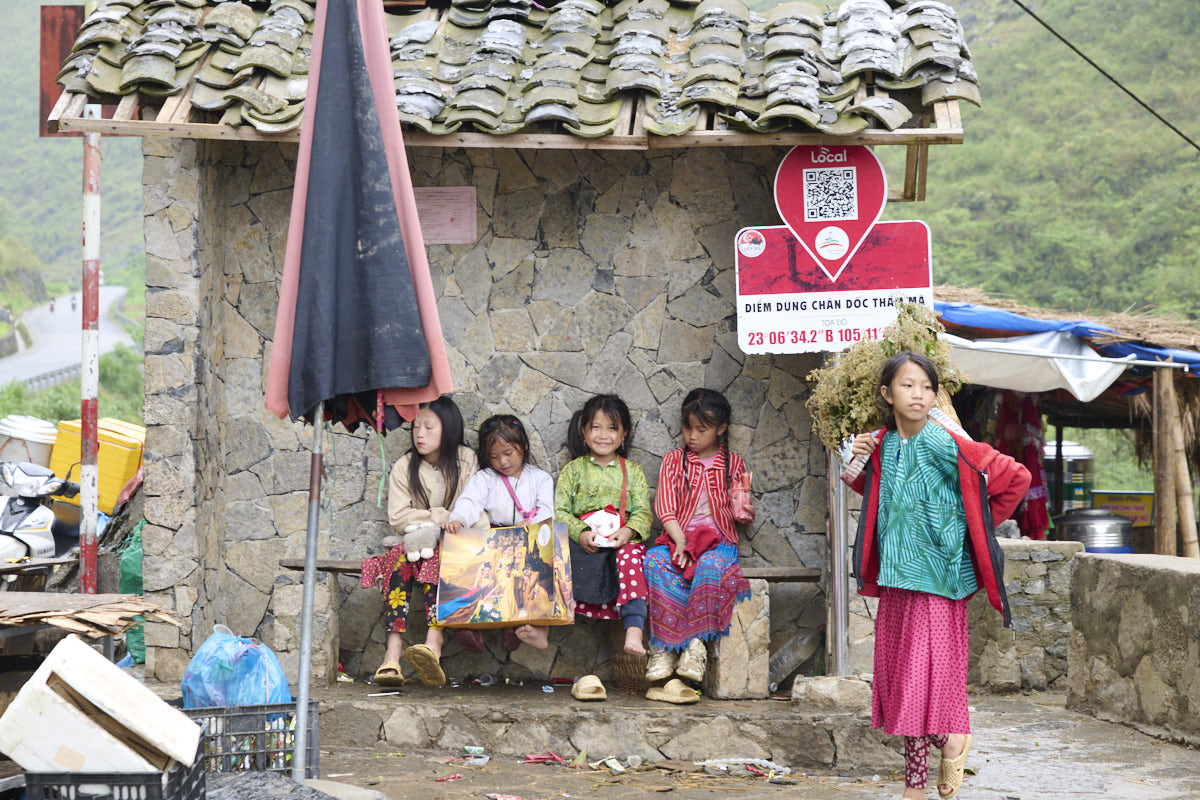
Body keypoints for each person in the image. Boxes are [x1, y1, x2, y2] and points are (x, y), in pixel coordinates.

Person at [846, 352, 1030, 800]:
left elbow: (1016, 478)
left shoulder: (949, 443)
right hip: (896, 579)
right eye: (908, 385)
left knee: (924, 682)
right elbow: (868, 489)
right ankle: (923, 775)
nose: (919, 395)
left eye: (927, 387)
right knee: (902, 684)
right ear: (887, 394)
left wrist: (974, 530)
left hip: (940, 580)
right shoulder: (883, 444)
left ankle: (943, 747)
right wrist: (857, 453)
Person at [359, 397, 478, 688]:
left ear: (448, 428)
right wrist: (439, 516)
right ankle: (393, 652)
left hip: (453, 543)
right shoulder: (405, 466)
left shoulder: (466, 460)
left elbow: (469, 507)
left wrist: (435, 521)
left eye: (429, 427)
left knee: (437, 557)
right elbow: (398, 518)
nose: (419, 434)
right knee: (397, 557)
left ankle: (434, 642)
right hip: (412, 543)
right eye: (415, 427)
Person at [643, 389, 752, 702]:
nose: (692, 436)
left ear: (721, 429)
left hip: (718, 544)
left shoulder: (733, 463)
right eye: (687, 427)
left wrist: (743, 505)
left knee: (710, 567)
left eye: (701, 429)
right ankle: (664, 647)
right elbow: (665, 508)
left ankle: (695, 646)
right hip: (678, 539)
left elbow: (742, 517)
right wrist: (679, 539)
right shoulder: (674, 461)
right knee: (654, 560)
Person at [555, 394, 653, 700]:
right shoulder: (573, 471)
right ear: (584, 431)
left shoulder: (631, 472)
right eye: (595, 427)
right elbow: (560, 511)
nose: (603, 435)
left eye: (612, 428)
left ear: (624, 434)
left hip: (619, 544)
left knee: (633, 555)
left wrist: (628, 531)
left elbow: (643, 512)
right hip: (584, 544)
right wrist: (581, 533)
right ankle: (540, 626)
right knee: (553, 558)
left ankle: (634, 628)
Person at [446, 414, 554, 650]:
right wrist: (459, 519)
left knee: (527, 581)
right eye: (494, 457)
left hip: (529, 539)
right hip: (495, 539)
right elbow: (470, 502)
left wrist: (533, 526)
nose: (503, 462)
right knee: (484, 579)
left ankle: (518, 627)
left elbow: (547, 511)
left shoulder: (541, 479)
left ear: (524, 446)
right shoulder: (484, 478)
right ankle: (471, 627)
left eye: (508, 453)